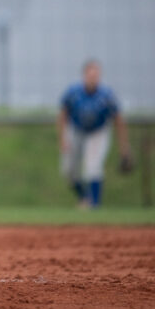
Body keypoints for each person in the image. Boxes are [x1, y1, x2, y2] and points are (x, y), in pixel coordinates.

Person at [57, 59, 132, 208]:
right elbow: (63, 115)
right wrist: (62, 138)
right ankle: (85, 197)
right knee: (68, 171)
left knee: (93, 167)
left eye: (96, 75)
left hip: (98, 132)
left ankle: (95, 206)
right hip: (76, 130)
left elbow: (118, 120)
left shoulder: (106, 95)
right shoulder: (73, 92)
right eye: (90, 75)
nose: (93, 78)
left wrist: (124, 147)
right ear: (84, 76)